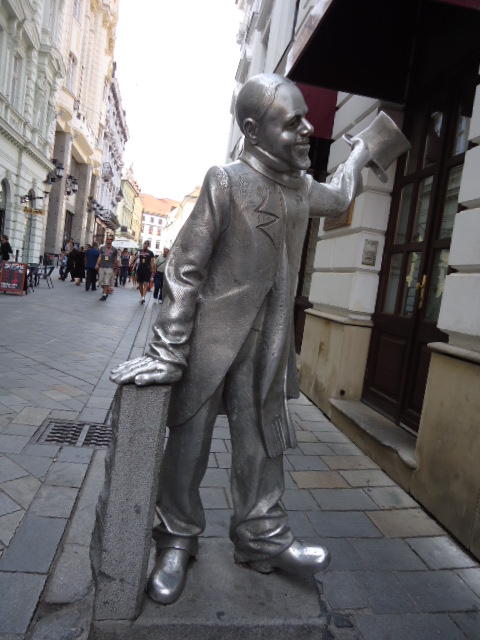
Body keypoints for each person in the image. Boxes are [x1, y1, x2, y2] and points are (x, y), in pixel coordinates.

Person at [111, 74, 403, 605]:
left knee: (263, 443)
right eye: (293, 123)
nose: (307, 131)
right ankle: (176, 540)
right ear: (252, 130)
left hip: (266, 342)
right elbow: (184, 269)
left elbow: (340, 195)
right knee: (190, 444)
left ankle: (262, 538)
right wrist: (168, 350)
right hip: (209, 341)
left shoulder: (300, 187)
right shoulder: (225, 182)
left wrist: (364, 150)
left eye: (306, 119)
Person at [96, 235, 119, 301]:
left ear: (112, 240)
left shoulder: (114, 249)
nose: (109, 240)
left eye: (110, 239)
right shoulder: (102, 248)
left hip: (110, 267)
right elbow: (100, 256)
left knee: (106, 281)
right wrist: (97, 264)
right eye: (108, 239)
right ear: (106, 240)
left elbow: (115, 259)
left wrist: (116, 267)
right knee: (100, 282)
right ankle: (106, 291)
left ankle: (104, 295)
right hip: (102, 266)